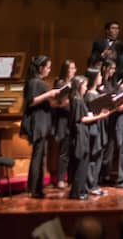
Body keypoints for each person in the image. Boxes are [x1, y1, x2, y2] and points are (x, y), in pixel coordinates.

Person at [22, 55, 61, 198]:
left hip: (42, 121)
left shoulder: (39, 82)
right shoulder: (34, 82)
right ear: (41, 68)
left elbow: (45, 103)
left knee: (41, 155)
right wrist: (50, 93)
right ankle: (34, 189)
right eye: (48, 67)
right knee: (38, 156)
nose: (49, 70)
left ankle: (37, 188)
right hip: (38, 122)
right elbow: (31, 101)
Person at [68, 76, 111, 200]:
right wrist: (100, 116)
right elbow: (81, 119)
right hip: (80, 134)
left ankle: (81, 190)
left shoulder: (78, 99)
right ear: (79, 86)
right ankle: (77, 192)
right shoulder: (77, 100)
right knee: (80, 164)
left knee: (84, 163)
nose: (86, 88)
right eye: (84, 85)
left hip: (83, 134)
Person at [53, 59, 76, 188]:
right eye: (71, 68)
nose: (74, 71)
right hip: (63, 120)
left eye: (74, 68)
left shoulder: (73, 83)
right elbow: (59, 102)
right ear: (66, 70)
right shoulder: (60, 83)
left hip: (72, 119)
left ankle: (71, 177)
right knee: (64, 151)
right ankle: (61, 179)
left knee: (73, 150)